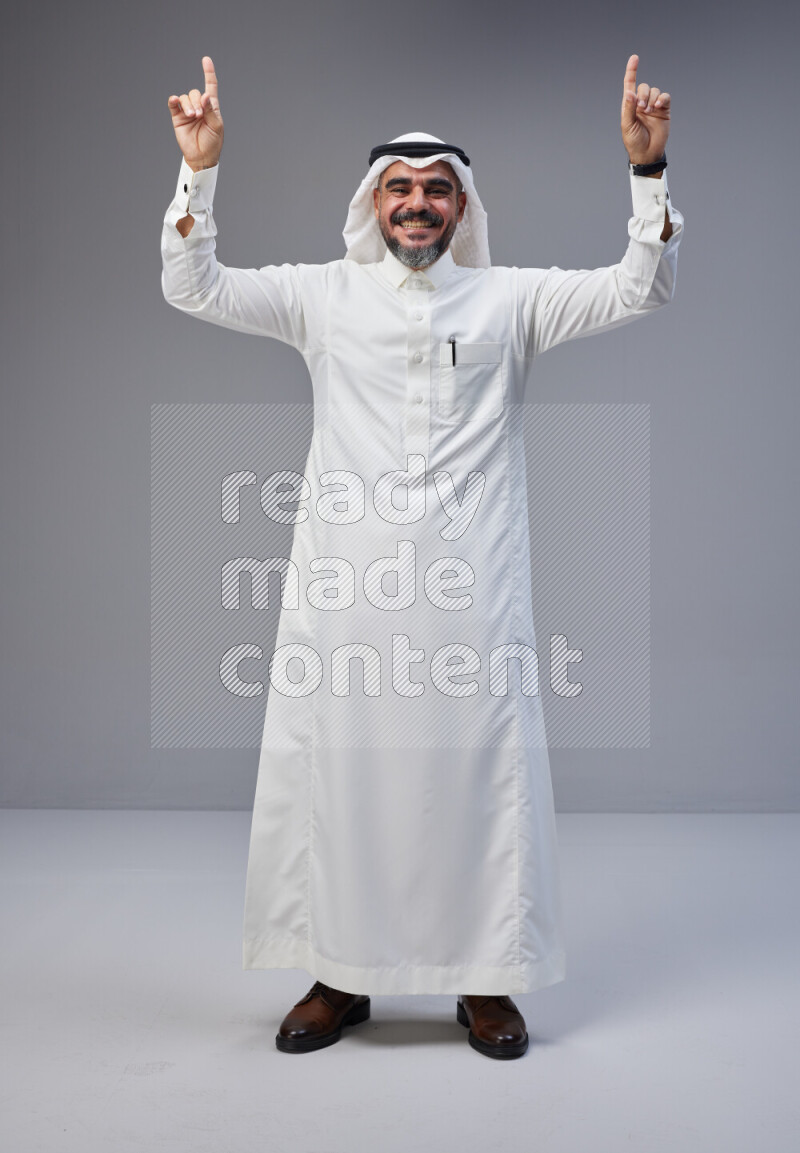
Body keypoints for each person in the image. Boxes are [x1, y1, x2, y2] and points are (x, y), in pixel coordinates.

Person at [162, 54, 683, 1060]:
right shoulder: (321, 295)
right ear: (371, 202)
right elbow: (192, 284)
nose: (416, 203)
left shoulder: (509, 300)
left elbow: (640, 287)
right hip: (345, 587)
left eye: (435, 188)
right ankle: (339, 974)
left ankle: (485, 981)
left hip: (471, 588)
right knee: (343, 776)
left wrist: (646, 174)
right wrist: (200, 172)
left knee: (476, 773)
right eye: (398, 188)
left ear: (459, 207)